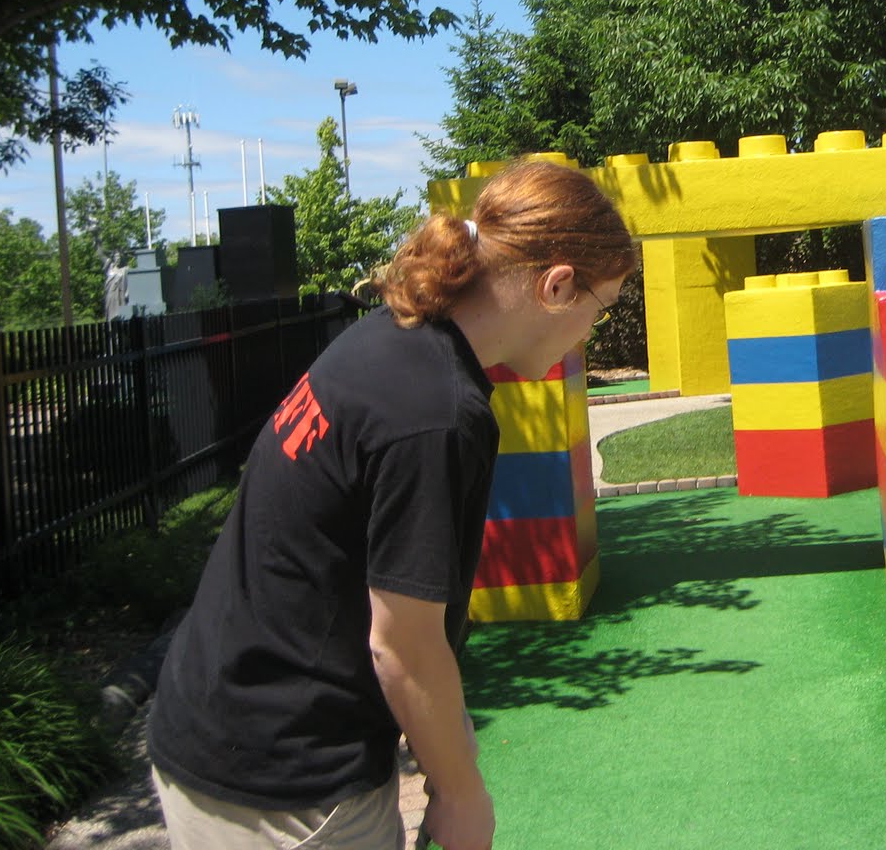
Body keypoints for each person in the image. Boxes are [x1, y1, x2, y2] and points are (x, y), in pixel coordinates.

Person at [147, 159, 637, 850]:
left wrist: (448, 746)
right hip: (285, 785)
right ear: (556, 286)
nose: (590, 333)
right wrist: (462, 795)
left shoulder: (394, 335)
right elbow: (402, 643)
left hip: (212, 725)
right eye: (599, 307)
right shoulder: (437, 413)